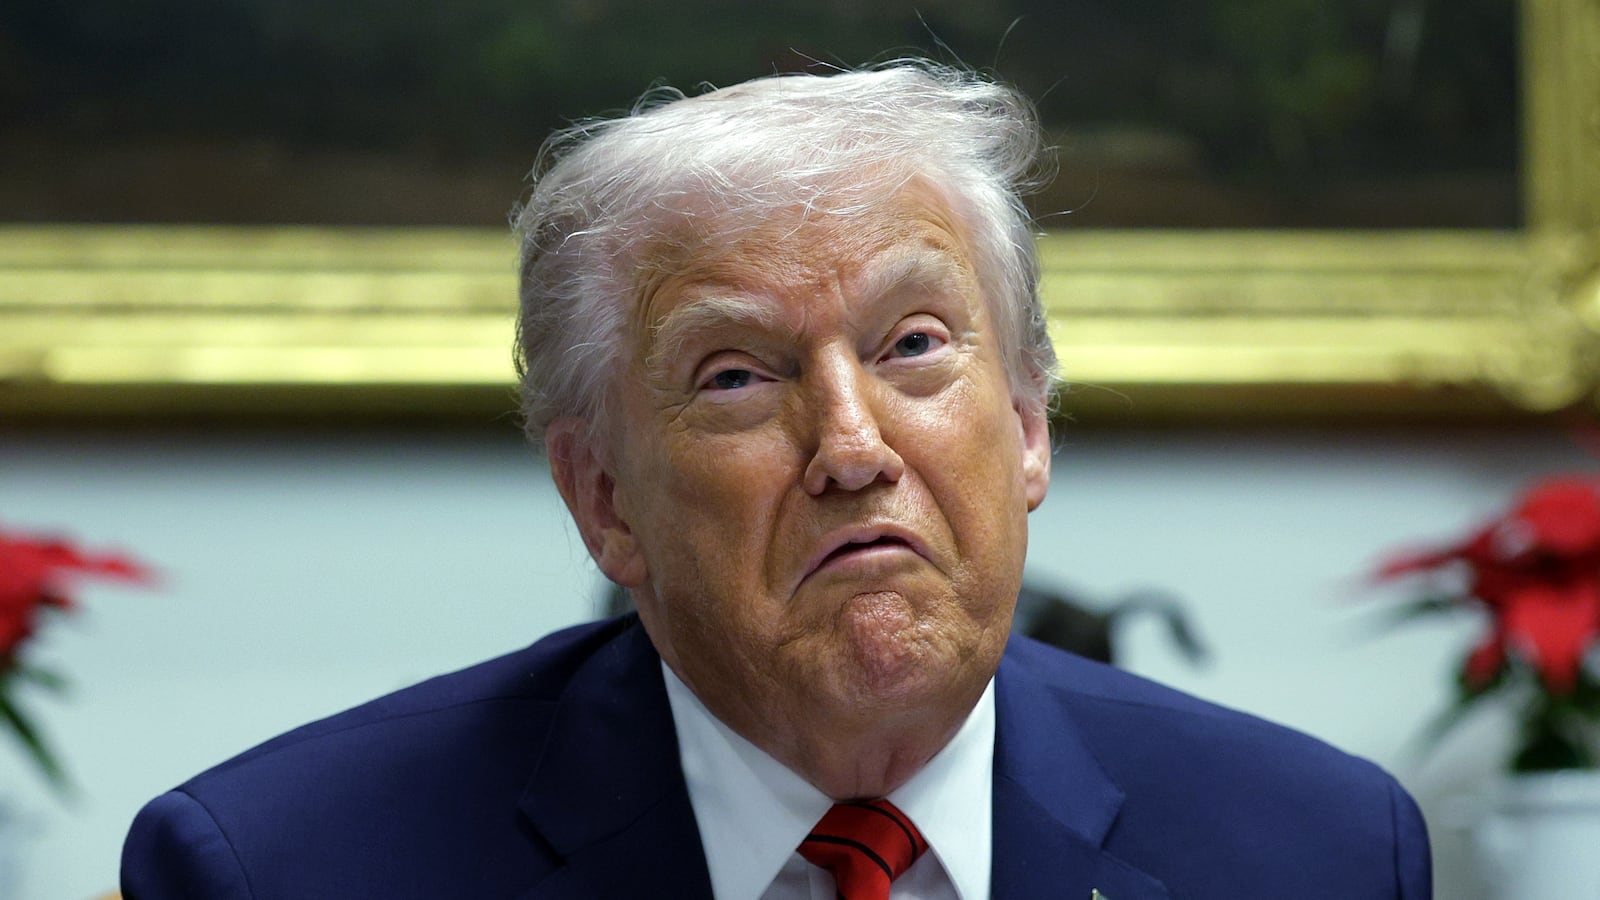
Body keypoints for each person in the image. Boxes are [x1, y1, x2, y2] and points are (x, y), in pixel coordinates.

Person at [121, 62, 1432, 899]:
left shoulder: (1316, 852)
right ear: (605, 500)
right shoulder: (281, 870)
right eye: (738, 377)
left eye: (914, 346)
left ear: (1029, 423)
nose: (853, 448)